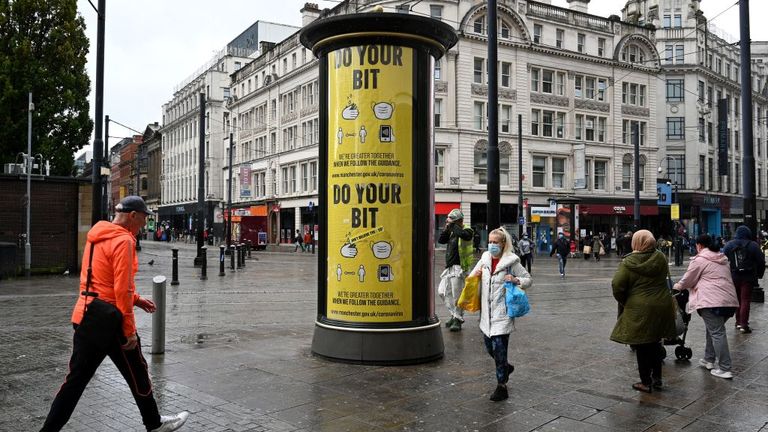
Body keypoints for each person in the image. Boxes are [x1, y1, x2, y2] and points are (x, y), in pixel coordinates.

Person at [41, 196, 189, 432]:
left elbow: (99, 281)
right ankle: (154, 423)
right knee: (138, 371)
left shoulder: (96, 236)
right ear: (132, 216)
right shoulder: (124, 241)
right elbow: (121, 289)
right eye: (143, 219)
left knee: (75, 382)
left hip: (86, 315)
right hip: (112, 321)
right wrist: (129, 331)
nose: (143, 224)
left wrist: (138, 300)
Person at [609, 230, 677, 393]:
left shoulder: (629, 262)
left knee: (641, 344)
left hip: (639, 307)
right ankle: (657, 379)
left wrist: (626, 300)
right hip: (662, 305)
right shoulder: (660, 257)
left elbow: (617, 285)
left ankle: (645, 382)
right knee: (655, 341)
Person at [469, 226, 532, 402]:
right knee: (490, 348)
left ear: (503, 244)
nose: (491, 245)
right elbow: (471, 278)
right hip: (485, 316)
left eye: (495, 242)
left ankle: (501, 386)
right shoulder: (484, 259)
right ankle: (506, 367)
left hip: (502, 314)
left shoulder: (512, 262)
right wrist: (477, 275)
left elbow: (528, 279)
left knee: (499, 350)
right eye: (489, 242)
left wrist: (515, 279)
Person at [673, 234, 739, 379]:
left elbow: (688, 279)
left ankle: (725, 368)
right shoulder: (722, 258)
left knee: (717, 332)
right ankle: (708, 359)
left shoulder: (701, 259)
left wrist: (677, 286)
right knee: (714, 330)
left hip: (712, 302)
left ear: (700, 245)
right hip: (729, 301)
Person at [722, 225, 765, 333]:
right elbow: (761, 261)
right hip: (748, 276)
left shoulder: (729, 245)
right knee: (745, 300)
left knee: (738, 300)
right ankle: (744, 324)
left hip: (734, 276)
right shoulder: (753, 245)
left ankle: (738, 322)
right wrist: (759, 275)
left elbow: (722, 260)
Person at [438, 209, 474, 332]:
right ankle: (454, 315)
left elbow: (464, 235)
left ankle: (457, 319)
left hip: (460, 267)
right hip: (449, 267)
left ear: (460, 220)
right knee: (442, 292)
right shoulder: (452, 231)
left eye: (453, 221)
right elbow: (441, 240)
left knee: (457, 296)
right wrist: (446, 228)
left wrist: (452, 225)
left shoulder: (468, 230)